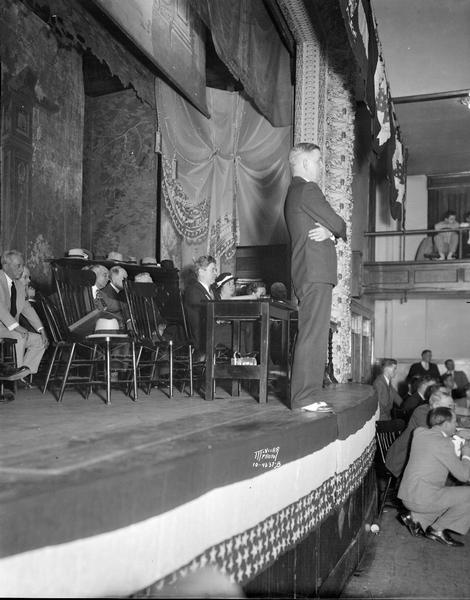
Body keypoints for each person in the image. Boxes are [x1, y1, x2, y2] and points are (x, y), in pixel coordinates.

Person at [284, 142, 346, 408]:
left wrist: (329, 232)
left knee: (314, 333)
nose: (321, 166)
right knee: (312, 334)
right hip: (314, 271)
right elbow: (339, 222)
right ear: (306, 163)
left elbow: (331, 227)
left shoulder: (294, 192)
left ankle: (307, 395)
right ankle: (303, 397)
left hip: (309, 271)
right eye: (319, 160)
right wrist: (334, 230)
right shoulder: (307, 189)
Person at [398, 406, 470, 546]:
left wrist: (456, 435)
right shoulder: (444, 444)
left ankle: (417, 518)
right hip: (422, 499)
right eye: (455, 422)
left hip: (407, 495)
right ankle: (437, 529)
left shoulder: (419, 433)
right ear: (446, 424)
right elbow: (464, 475)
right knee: (466, 496)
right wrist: (466, 453)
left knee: (453, 497)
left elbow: (439, 438)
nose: (457, 425)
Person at [0, 250, 48, 380]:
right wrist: (17, 327)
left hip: (9, 330)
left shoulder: (18, 286)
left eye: (22, 265)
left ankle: (22, 373)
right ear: (5, 266)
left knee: (39, 341)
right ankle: (14, 372)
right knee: (20, 335)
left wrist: (41, 330)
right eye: (18, 266)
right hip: (3, 329)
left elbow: (27, 309)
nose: (21, 269)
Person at [386, 387, 454, 479]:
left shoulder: (435, 413)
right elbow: (436, 435)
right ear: (436, 405)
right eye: (448, 407)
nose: (451, 410)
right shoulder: (422, 412)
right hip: (403, 458)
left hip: (419, 456)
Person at [183, 255, 217, 359]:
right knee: (243, 330)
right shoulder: (194, 291)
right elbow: (200, 317)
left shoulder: (208, 291)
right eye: (213, 270)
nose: (216, 273)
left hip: (210, 330)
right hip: (203, 335)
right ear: (201, 272)